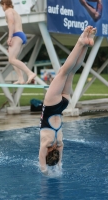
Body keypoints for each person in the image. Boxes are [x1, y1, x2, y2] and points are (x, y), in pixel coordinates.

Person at [39, 26, 97, 175]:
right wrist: (44, 169)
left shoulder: (59, 143)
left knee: (71, 71)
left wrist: (58, 166)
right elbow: (42, 162)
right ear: (47, 154)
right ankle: (81, 41)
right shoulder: (46, 144)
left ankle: (86, 43)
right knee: (64, 71)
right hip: (51, 105)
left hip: (63, 104)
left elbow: (59, 156)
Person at [0, 0, 36, 84]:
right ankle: (20, 78)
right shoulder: (15, 12)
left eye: (2, 6)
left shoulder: (8, 11)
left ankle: (30, 73)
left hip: (16, 35)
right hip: (21, 35)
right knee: (13, 58)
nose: (2, 8)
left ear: (4, 4)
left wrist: (10, 37)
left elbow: (11, 23)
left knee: (11, 59)